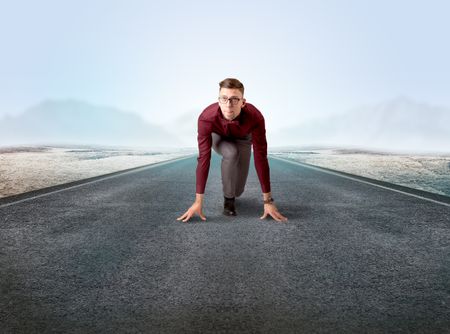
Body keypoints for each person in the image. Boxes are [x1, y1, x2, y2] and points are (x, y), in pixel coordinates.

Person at [177, 78, 288, 223]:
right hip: (219, 137)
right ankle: (229, 202)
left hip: (243, 138)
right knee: (231, 152)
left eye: (234, 99)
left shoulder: (256, 117)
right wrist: (198, 202)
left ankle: (233, 194)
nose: (229, 105)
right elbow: (204, 158)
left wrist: (268, 202)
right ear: (218, 100)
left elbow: (261, 156)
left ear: (243, 102)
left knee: (238, 191)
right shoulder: (206, 118)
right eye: (224, 99)